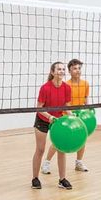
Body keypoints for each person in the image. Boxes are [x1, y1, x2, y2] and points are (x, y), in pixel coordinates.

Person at [42, 59, 90, 173]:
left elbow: (85, 100)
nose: (77, 71)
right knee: (58, 142)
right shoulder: (66, 85)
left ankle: (79, 162)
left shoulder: (85, 84)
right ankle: (46, 163)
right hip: (65, 117)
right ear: (69, 71)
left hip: (79, 117)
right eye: (74, 68)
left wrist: (87, 110)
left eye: (79, 68)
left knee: (82, 140)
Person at [31, 62, 72, 190]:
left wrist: (71, 116)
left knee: (61, 149)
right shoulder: (45, 88)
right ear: (52, 72)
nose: (61, 71)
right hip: (43, 119)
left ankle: (62, 179)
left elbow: (66, 106)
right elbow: (39, 108)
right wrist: (49, 117)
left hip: (58, 120)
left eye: (63, 69)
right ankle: (35, 178)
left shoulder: (67, 88)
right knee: (40, 149)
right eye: (58, 69)